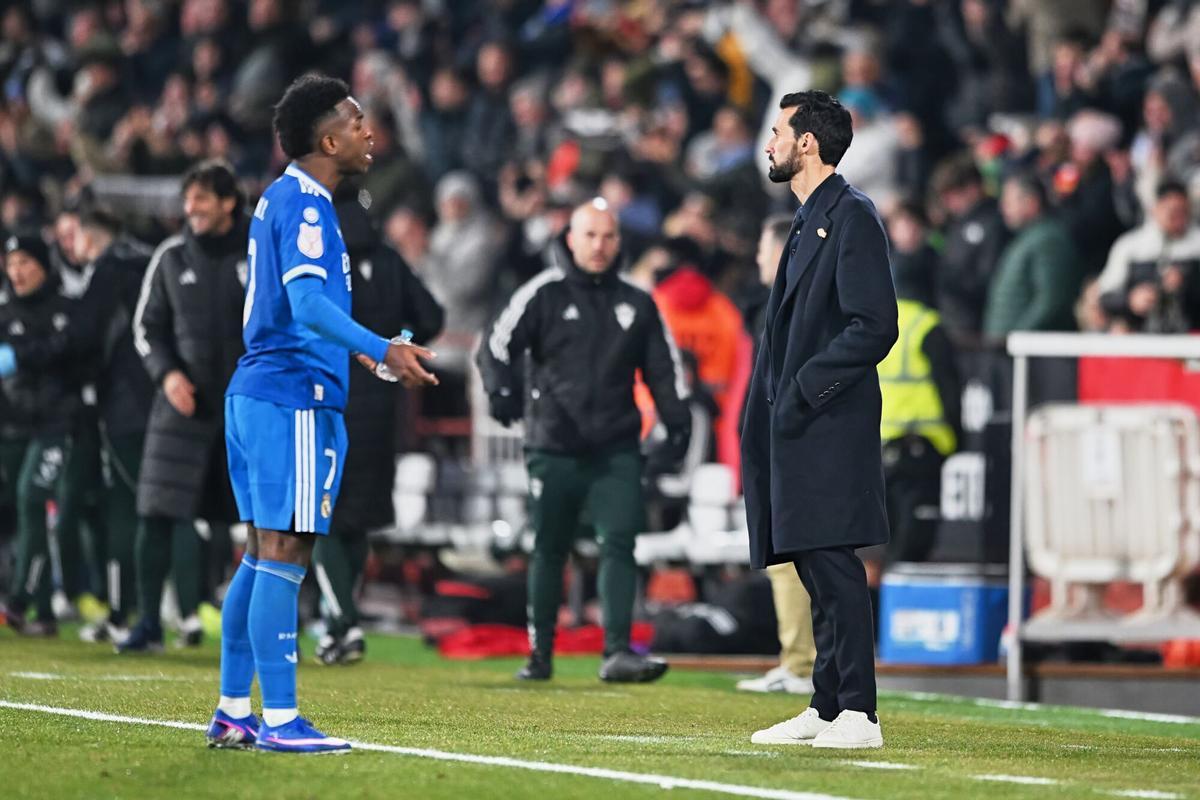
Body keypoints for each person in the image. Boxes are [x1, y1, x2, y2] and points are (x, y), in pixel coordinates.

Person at [206, 75, 437, 754]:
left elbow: (298, 311)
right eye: (357, 120)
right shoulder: (307, 205)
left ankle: (232, 710)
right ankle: (279, 718)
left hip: (261, 392)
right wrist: (383, 347)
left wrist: (363, 359)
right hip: (290, 397)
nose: (370, 132)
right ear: (328, 139)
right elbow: (305, 306)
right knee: (285, 551)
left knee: (259, 554)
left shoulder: (283, 199)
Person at [476, 200, 690, 684]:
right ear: (569, 239)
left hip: (616, 446)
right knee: (549, 547)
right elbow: (495, 344)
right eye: (590, 235)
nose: (599, 245)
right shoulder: (543, 293)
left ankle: (617, 653)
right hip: (553, 444)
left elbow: (664, 367)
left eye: (608, 236)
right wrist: (501, 389)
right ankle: (540, 653)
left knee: (620, 543)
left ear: (619, 242)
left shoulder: (637, 302)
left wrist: (676, 420)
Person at [740, 91, 897, 749]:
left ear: (806, 142)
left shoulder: (852, 216)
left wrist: (806, 386)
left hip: (828, 425)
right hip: (798, 428)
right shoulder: (809, 219)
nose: (770, 142)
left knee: (833, 566)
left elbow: (876, 325)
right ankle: (827, 703)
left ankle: (859, 711)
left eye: (777, 131)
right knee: (811, 564)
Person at [312, 184, 444, 666]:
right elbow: (431, 316)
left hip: (332, 397)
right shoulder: (388, 261)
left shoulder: (324, 264)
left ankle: (342, 622)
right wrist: (397, 344)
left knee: (325, 514)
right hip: (384, 406)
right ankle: (341, 622)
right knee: (359, 519)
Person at [120, 160, 248, 653]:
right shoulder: (170, 257)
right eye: (187, 199)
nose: (190, 209)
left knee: (264, 522)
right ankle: (149, 621)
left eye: (201, 199)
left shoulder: (260, 252)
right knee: (156, 512)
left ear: (227, 202)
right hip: (182, 408)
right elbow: (146, 328)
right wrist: (168, 374)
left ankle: (274, 628)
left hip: (246, 407)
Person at [736, 215, 815, 696]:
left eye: (765, 249)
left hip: (794, 444)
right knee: (787, 555)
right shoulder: (774, 308)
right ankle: (800, 659)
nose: (759, 259)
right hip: (780, 442)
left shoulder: (791, 309)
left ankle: (803, 663)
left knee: (792, 555)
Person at [68, 208, 155, 645]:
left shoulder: (108, 272)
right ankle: (170, 614)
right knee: (168, 508)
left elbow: (81, 337)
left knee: (125, 505)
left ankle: (127, 615)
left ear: (91, 237)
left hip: (123, 405)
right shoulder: (153, 263)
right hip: (165, 397)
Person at [0, 234, 90, 636]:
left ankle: (18, 601)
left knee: (32, 498)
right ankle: (44, 615)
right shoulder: (4, 313)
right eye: (10, 262)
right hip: (13, 424)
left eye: (24, 262)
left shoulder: (66, 309)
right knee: (24, 513)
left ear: (42, 265)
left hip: (56, 425)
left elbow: (69, 351)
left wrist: (20, 356)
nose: (16, 270)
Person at [982, 173, 1082, 341]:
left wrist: (1017, 336)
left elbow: (1051, 300)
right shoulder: (1027, 237)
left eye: (1009, 202)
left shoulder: (1049, 239)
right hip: (1010, 353)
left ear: (1032, 203)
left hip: (1032, 355)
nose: (1003, 208)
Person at [1096, 180, 1200, 333]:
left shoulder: (1196, 245)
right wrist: (1130, 300)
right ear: (1155, 209)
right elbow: (1105, 297)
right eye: (1171, 212)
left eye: (1182, 211)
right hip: (1140, 337)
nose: (1177, 218)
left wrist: (1187, 284)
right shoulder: (1131, 246)